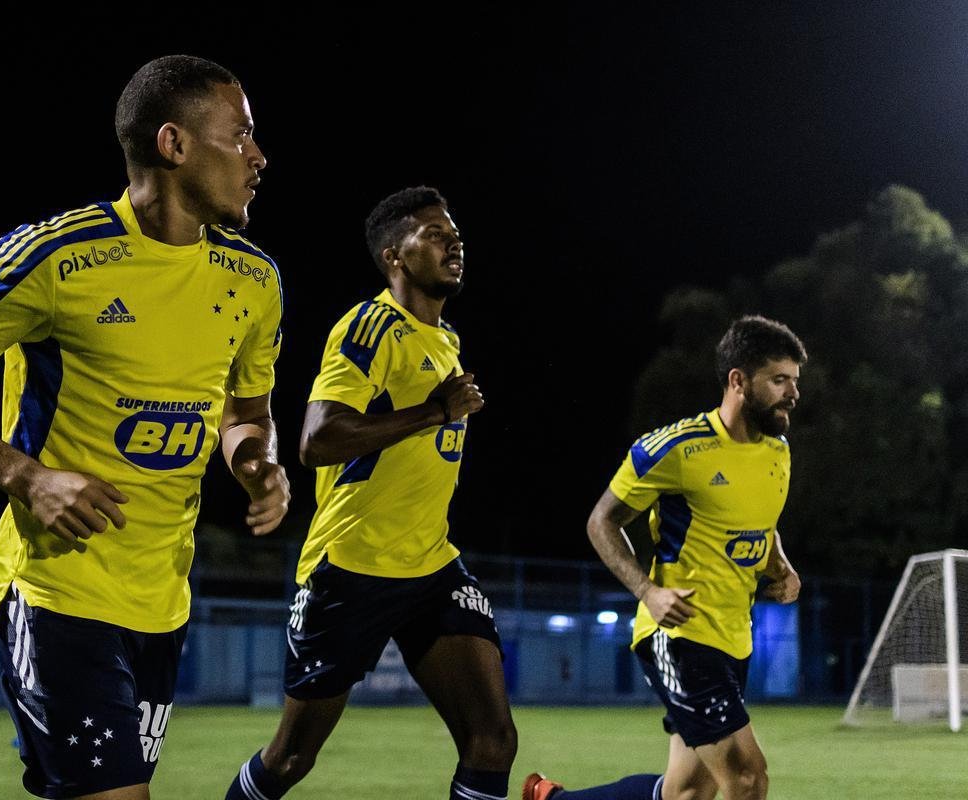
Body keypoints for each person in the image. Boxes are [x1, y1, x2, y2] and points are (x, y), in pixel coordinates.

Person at [0, 55, 289, 800]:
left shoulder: (255, 281)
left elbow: (246, 412)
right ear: (174, 144)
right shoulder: (55, 258)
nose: (259, 157)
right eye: (242, 136)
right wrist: (25, 477)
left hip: (162, 604)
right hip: (54, 593)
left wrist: (257, 460)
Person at [225, 187, 517, 800]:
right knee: (291, 759)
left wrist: (436, 409)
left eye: (455, 233)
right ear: (394, 255)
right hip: (352, 568)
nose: (454, 242)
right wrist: (435, 409)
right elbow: (318, 438)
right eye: (435, 234)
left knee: (492, 740)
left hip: (431, 563)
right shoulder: (369, 327)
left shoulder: (446, 340)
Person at [524, 315, 806, 800]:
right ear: (738, 380)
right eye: (779, 380)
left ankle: (550, 799)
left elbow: (762, 521)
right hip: (677, 636)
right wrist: (647, 592)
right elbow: (602, 522)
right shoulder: (675, 449)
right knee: (746, 775)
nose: (793, 394)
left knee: (686, 793)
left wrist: (780, 564)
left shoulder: (777, 451)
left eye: (795, 382)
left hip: (734, 638)